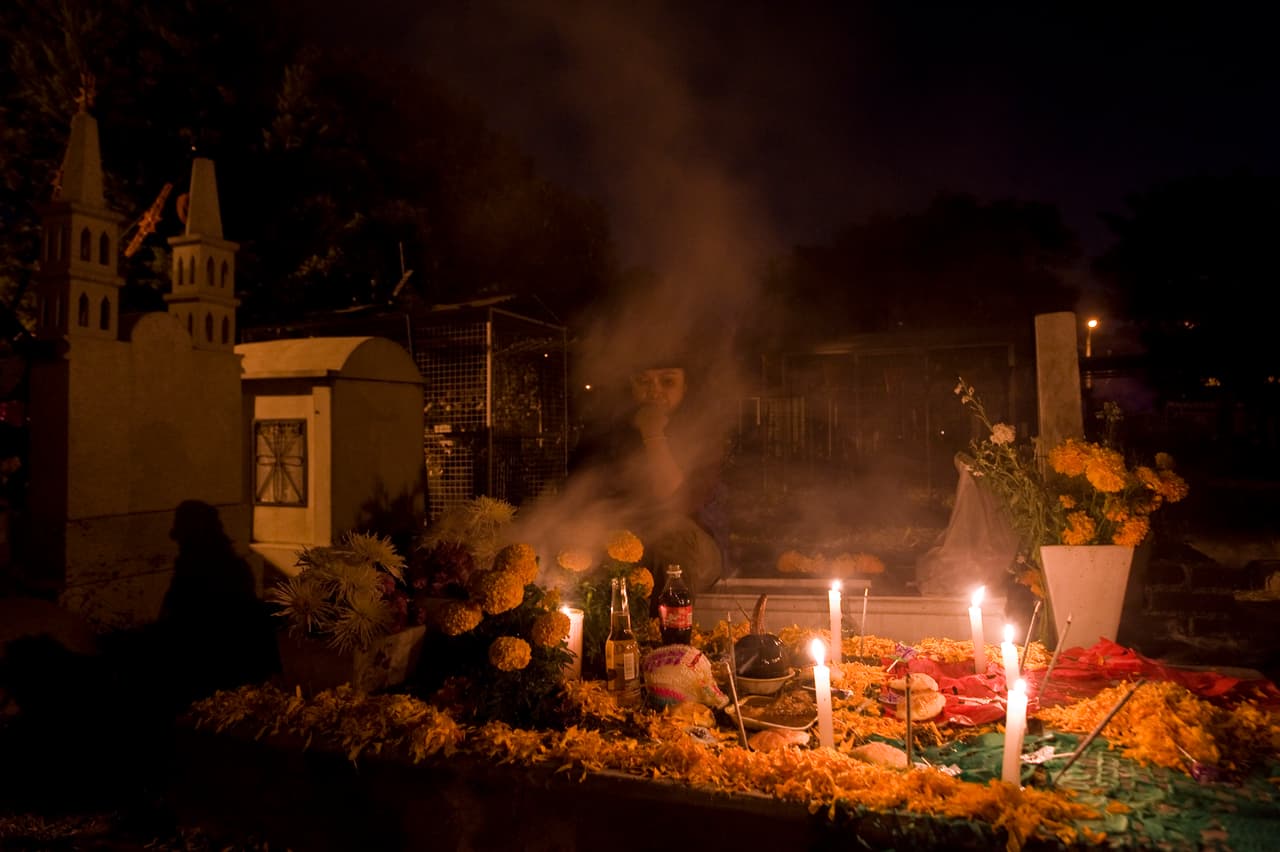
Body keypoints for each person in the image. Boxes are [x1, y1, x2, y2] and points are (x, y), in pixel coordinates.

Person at [569, 361, 729, 601]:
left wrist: (652, 433)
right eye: (644, 381)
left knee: (670, 539)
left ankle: (668, 633)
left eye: (667, 381)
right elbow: (582, 498)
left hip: (692, 547)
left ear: (685, 387)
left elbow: (675, 502)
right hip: (621, 537)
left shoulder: (701, 433)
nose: (654, 391)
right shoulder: (605, 433)